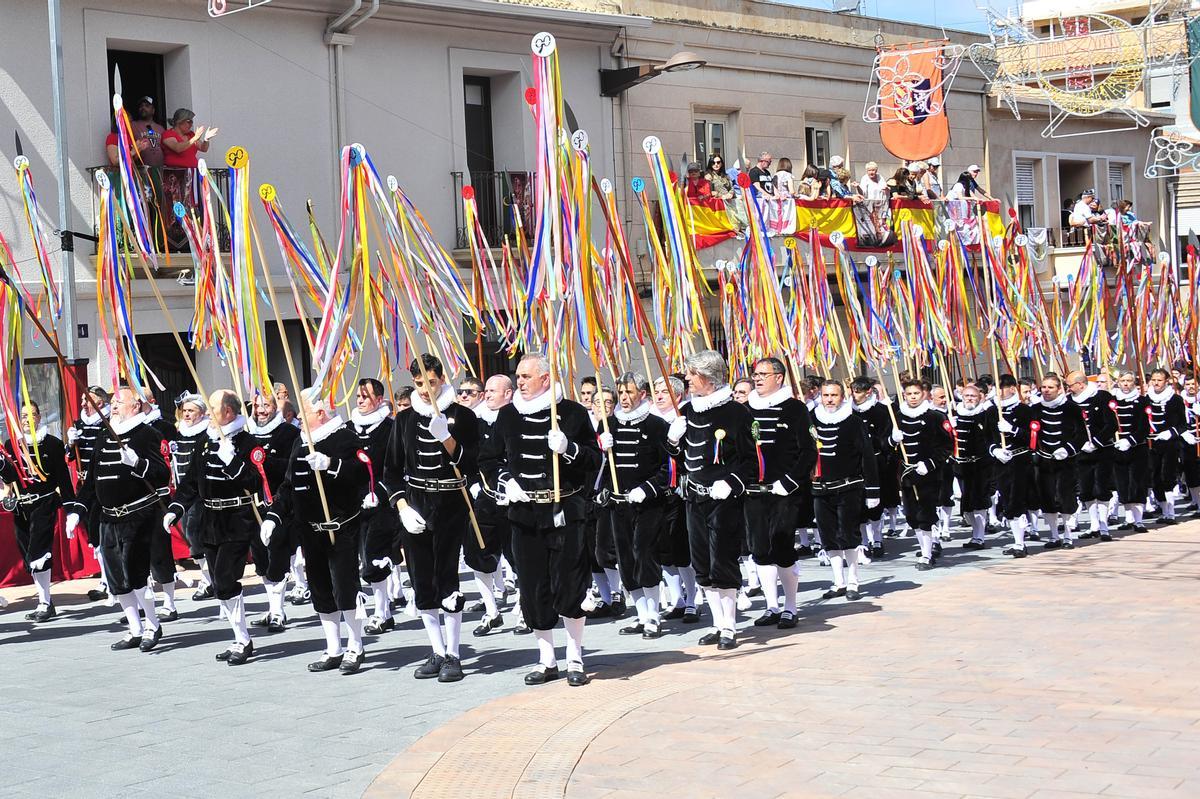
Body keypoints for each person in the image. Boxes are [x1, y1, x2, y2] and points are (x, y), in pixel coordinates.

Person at [480, 353, 601, 687]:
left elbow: (594, 459)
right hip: (524, 514)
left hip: (564, 512)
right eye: (518, 376)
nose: (519, 382)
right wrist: (508, 481)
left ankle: (574, 657)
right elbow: (489, 459)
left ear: (545, 379)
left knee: (570, 583)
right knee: (533, 587)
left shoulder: (573, 413)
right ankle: (546, 659)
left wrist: (569, 449)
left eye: (526, 376)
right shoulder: (507, 415)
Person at [385, 354, 479, 683]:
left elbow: (472, 464)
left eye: (432, 381)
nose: (425, 389)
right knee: (421, 578)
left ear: (442, 378)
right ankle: (437, 650)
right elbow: (392, 472)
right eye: (419, 383)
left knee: (446, 576)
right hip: (416, 503)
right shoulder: (404, 420)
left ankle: (454, 654)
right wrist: (403, 508)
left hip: (451, 501)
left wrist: (448, 439)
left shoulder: (463, 416)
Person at [264, 388, 369, 673]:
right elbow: (288, 486)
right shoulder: (301, 443)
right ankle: (333, 647)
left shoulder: (344, 437)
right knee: (321, 590)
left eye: (304, 412)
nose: (298, 417)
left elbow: (363, 472)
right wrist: (273, 516)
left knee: (345, 589)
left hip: (341, 527)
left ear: (321, 413)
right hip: (310, 529)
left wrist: (331, 465)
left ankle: (355, 645)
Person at [65, 387, 170, 652]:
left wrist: (139, 464)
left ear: (135, 406)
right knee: (116, 579)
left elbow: (162, 474)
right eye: (111, 402)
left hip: (138, 515)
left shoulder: (147, 434)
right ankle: (134, 628)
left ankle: (153, 624)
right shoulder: (104, 435)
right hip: (108, 518)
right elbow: (91, 480)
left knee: (137, 575)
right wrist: (77, 510)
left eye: (119, 402)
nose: (113, 406)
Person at [665, 350, 755, 650]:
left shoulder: (736, 413)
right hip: (693, 498)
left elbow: (750, 462)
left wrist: (730, 483)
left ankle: (730, 626)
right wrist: (673, 441)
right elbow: (683, 458)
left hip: (723, 500)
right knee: (702, 563)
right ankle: (717, 624)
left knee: (723, 562)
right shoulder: (689, 411)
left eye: (691, 373)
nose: (686, 378)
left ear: (708, 376)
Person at [164, 390, 260, 662]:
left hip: (236, 520)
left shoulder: (246, 441)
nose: (208, 412)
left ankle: (243, 640)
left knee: (227, 579)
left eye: (213, 407)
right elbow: (192, 482)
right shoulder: (205, 440)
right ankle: (239, 637)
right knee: (219, 584)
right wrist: (176, 507)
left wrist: (234, 463)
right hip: (211, 520)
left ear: (228, 412)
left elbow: (257, 482)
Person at [596, 371, 672, 638]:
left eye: (630, 392)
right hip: (619, 505)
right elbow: (598, 467)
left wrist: (647, 489)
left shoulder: (656, 425)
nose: (624, 397)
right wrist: (601, 451)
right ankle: (640, 614)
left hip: (648, 503)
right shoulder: (608, 424)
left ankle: (654, 614)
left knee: (644, 554)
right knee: (625, 558)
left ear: (642, 394)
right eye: (621, 392)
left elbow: (668, 468)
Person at [744, 358, 815, 627]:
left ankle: (790, 606)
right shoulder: (746, 409)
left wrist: (789, 481)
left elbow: (808, 451)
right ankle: (771, 605)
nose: (758, 379)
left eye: (764, 374)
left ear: (779, 377)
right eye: (755, 374)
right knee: (760, 548)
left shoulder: (795, 409)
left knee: (782, 544)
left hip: (784, 490)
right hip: (754, 491)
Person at [0, 402, 75, 622]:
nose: (26, 419)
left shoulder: (52, 444)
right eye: (23, 416)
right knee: (29, 556)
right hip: (22, 507)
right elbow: (10, 477)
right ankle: (46, 602)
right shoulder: (12, 444)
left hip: (44, 503)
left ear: (39, 417)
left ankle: (44, 601)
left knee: (38, 553)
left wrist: (72, 509)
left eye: (31, 415)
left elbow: (63, 479)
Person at [811, 380, 879, 599]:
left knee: (848, 535)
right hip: (820, 489)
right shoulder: (811, 420)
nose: (829, 399)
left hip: (848, 487)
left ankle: (853, 581)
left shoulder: (854, 422)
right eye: (825, 395)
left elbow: (867, 457)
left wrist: (873, 490)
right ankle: (838, 581)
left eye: (834, 395)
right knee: (828, 536)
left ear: (843, 397)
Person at [349, 378, 401, 636]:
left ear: (379, 400)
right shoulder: (349, 429)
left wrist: (379, 492)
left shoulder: (391, 428)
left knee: (374, 557)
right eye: (358, 396)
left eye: (365, 397)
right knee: (362, 557)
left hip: (381, 503)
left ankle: (382, 612)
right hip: (355, 504)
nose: (360, 401)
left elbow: (395, 467)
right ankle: (384, 610)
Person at [245, 392, 301, 631]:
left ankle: (279, 611)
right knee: (260, 559)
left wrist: (265, 461)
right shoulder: (245, 435)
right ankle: (272, 608)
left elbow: (293, 466)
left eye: (265, 405)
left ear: (276, 408)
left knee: (277, 555)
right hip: (253, 504)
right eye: (257, 406)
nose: (260, 410)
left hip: (281, 503)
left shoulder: (289, 433)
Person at [466, 374, 515, 636]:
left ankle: (523, 609)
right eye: (485, 390)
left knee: (519, 556)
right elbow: (467, 458)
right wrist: (474, 483)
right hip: (485, 496)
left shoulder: (519, 418)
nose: (487, 395)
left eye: (493, 391)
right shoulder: (476, 421)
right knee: (478, 554)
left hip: (516, 496)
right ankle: (491, 610)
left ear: (508, 393)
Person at [651, 375, 698, 622]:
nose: (658, 395)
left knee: (681, 549)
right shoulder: (649, 420)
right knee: (663, 551)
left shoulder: (684, 419)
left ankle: (692, 598)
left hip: (678, 490)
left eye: (664, 392)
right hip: (656, 492)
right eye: (656, 391)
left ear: (677, 396)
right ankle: (676, 599)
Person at [896, 380, 953, 569]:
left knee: (926, 513)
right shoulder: (897, 416)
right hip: (907, 474)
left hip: (928, 474)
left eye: (916, 393)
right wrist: (891, 440)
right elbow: (885, 445)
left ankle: (927, 554)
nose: (912, 397)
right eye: (909, 393)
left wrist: (929, 464)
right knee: (911, 514)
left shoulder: (935, 416)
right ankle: (924, 547)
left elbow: (947, 446)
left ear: (924, 395)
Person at [1031, 374, 1087, 548]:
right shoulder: (1035, 409)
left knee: (1065, 497)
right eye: (1044, 387)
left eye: (1050, 387)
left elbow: (1082, 435)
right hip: (1044, 461)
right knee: (1047, 497)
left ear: (1059, 389)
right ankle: (1054, 535)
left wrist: (1068, 449)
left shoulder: (1072, 408)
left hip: (1065, 461)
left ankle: (1068, 535)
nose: (1046, 391)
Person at [1066, 371, 1118, 540]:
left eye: (1071, 385)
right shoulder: (1069, 402)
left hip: (1102, 449)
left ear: (1081, 384)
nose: (1069, 389)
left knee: (1101, 487)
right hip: (1082, 451)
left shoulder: (1102, 397)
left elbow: (1111, 424)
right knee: (1086, 488)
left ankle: (1104, 526)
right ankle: (1094, 524)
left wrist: (1096, 442)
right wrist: (1079, 444)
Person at [990, 374, 1037, 557]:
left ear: (1012, 389)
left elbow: (1032, 439)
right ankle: (1017, 541)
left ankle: (1021, 542)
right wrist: (995, 450)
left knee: (1018, 500)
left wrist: (1013, 430)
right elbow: (987, 437)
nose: (1000, 391)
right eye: (997, 388)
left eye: (1003, 387)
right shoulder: (992, 412)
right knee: (1007, 500)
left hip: (1020, 461)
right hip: (1002, 462)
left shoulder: (1025, 411)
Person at [850, 377, 897, 556]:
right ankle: (863, 541)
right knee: (859, 505)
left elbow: (884, 439)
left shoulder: (881, 411)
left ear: (868, 392)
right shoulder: (848, 411)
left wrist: (888, 441)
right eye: (853, 391)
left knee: (876, 504)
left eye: (858, 392)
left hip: (876, 463)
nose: (854, 396)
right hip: (856, 464)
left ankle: (877, 539)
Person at [950, 383, 997, 549]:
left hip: (981, 465)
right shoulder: (955, 414)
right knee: (966, 503)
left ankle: (979, 536)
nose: (970, 399)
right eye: (967, 396)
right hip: (962, 466)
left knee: (980, 501)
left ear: (980, 398)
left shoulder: (985, 414)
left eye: (973, 396)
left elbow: (991, 437)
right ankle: (975, 533)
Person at [1144, 368, 1186, 524]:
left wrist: (1171, 432)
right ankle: (1163, 509)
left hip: (1169, 443)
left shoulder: (1175, 399)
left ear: (1166, 381)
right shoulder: (1146, 398)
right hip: (1152, 443)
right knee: (1154, 476)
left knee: (1167, 476)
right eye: (1153, 380)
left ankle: (1171, 512)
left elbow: (1183, 424)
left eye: (1159, 380)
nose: (1156, 383)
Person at [1111, 371, 1150, 533]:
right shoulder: (1112, 401)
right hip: (1118, 447)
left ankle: (1139, 520)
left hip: (1137, 447)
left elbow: (1144, 427)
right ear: (1118, 382)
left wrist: (1130, 440)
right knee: (1123, 483)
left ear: (1134, 383)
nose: (1126, 384)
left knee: (1138, 482)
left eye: (1129, 381)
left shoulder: (1141, 401)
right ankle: (1128, 518)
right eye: (1122, 381)